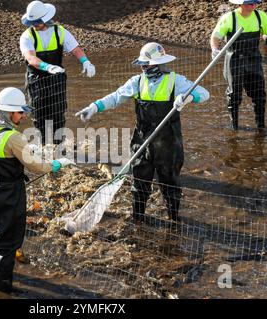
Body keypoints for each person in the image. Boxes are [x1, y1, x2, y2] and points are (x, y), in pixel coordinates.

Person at [75, 43, 210, 222]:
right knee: (139, 183)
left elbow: (205, 93)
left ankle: (174, 220)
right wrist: (95, 106)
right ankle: (138, 219)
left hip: (169, 143)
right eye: (142, 65)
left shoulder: (176, 81)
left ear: (158, 64)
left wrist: (187, 97)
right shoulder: (137, 82)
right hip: (142, 140)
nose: (143, 68)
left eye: (146, 65)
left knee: (170, 184)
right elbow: (116, 97)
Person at [0, 87, 74, 293]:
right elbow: (37, 166)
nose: (23, 115)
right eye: (20, 112)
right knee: (8, 244)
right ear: (8, 112)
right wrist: (57, 164)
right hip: (6, 196)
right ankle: (2, 290)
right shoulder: (13, 137)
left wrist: (27, 150)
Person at [210, 0, 267, 130]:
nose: (253, 6)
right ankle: (234, 127)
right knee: (234, 94)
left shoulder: (260, 16)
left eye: (255, 3)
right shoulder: (230, 18)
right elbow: (215, 36)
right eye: (250, 3)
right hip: (234, 59)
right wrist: (214, 49)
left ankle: (261, 127)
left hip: (254, 59)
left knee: (259, 94)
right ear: (240, 4)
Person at [20, 0, 96, 145]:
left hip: (57, 79)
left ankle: (59, 145)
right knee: (39, 113)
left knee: (57, 112)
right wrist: (48, 67)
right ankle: (43, 145)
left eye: (37, 22)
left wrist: (86, 61)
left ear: (46, 19)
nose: (34, 25)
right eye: (32, 22)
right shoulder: (27, 36)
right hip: (36, 79)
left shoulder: (60, 31)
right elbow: (30, 58)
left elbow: (76, 49)